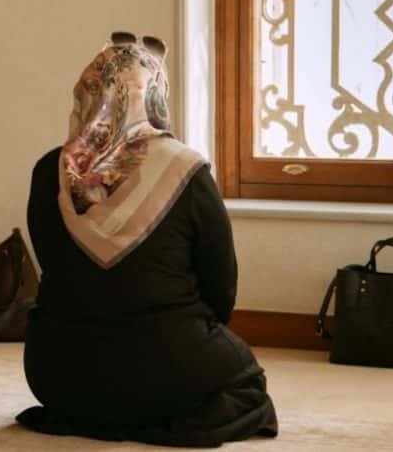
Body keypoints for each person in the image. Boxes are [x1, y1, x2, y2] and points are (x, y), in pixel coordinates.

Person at [16, 32, 278, 447]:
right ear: (155, 96)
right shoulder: (186, 170)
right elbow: (221, 286)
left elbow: (50, 264)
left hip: (59, 374)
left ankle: (99, 414)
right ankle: (153, 420)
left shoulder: (49, 170)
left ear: (87, 95)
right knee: (248, 385)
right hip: (169, 369)